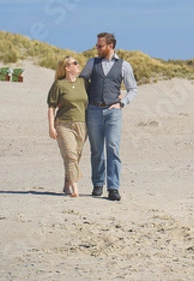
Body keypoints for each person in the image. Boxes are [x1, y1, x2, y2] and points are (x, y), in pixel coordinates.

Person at [80, 32, 137, 201]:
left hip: (113, 112)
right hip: (93, 111)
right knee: (96, 150)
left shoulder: (124, 65)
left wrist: (122, 103)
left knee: (112, 147)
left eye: (100, 46)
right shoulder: (92, 63)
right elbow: (81, 83)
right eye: (97, 45)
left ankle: (113, 187)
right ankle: (98, 184)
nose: (97, 48)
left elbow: (133, 89)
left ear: (110, 46)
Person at [47, 56, 88, 197]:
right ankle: (75, 190)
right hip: (63, 124)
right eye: (75, 63)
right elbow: (51, 107)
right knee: (70, 155)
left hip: (82, 125)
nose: (78, 65)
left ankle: (66, 185)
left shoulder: (83, 82)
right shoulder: (58, 85)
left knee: (75, 157)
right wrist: (51, 127)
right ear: (67, 68)